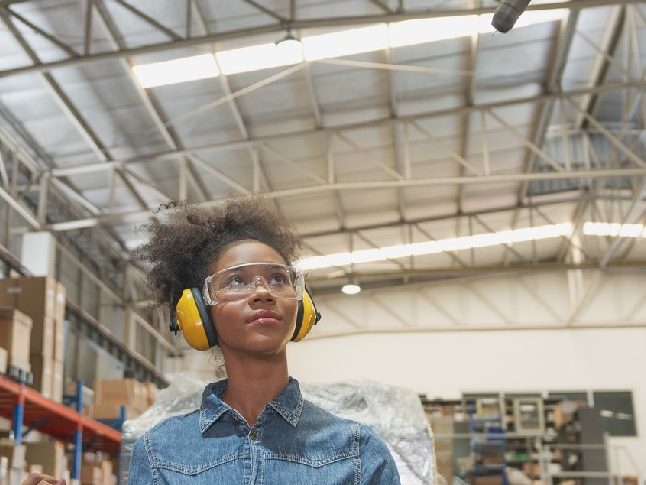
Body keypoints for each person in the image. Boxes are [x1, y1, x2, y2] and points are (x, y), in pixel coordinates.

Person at [26, 198, 400, 484]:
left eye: (277, 279)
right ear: (197, 313)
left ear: (300, 307)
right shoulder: (159, 452)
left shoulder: (357, 452)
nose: (262, 292)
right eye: (236, 280)